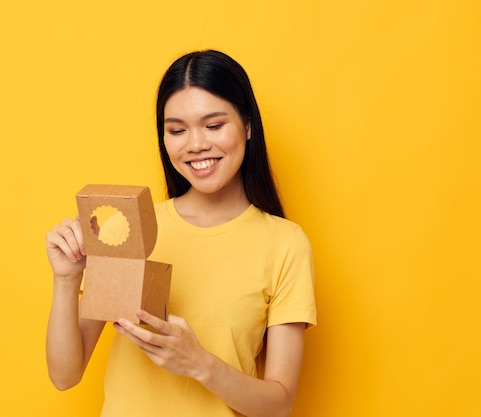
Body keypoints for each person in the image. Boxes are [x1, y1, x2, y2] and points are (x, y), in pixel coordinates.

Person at [45, 50, 316, 417]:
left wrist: (198, 363)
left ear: (248, 126)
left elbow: (279, 405)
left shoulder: (285, 244)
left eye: (214, 125)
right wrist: (66, 280)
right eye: (177, 130)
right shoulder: (127, 227)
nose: (195, 144)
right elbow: (65, 375)